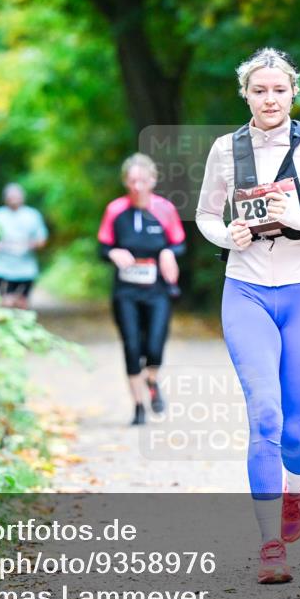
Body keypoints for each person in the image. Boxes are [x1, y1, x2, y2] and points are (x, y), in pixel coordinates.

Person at [195, 48, 300, 584]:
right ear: (245, 93)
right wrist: (228, 235)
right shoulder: (225, 150)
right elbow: (204, 215)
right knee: (263, 416)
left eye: (279, 90)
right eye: (259, 90)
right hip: (246, 291)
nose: (270, 99)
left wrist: (299, 217)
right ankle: (270, 546)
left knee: (294, 430)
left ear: (293, 94)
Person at [98, 153, 186, 426]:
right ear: (125, 181)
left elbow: (179, 243)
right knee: (132, 345)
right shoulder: (115, 210)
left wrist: (169, 254)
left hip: (157, 288)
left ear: (153, 180)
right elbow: (102, 247)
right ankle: (138, 406)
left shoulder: (165, 209)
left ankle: (152, 380)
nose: (137, 186)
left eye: (143, 180)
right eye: (132, 181)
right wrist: (113, 253)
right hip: (126, 290)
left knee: (155, 346)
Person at [0, 183, 48, 309]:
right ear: (5, 198)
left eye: (16, 196)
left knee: (22, 303)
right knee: (6, 302)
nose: (14, 199)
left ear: (23, 197)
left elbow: (42, 239)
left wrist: (30, 245)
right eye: (11, 196)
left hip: (26, 269)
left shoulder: (33, 215)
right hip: (2, 268)